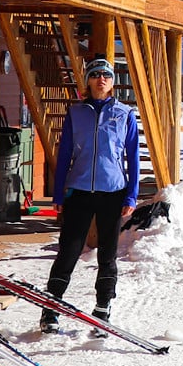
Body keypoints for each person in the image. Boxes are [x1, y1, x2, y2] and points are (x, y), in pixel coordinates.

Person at [41, 58, 139, 334]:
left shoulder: (124, 114)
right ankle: (51, 307)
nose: (101, 79)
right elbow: (64, 156)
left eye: (106, 75)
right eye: (95, 75)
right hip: (79, 191)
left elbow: (132, 156)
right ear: (88, 81)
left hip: (112, 192)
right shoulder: (76, 114)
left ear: (111, 81)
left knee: (107, 255)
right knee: (69, 251)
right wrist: (59, 193)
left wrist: (131, 196)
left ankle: (103, 308)